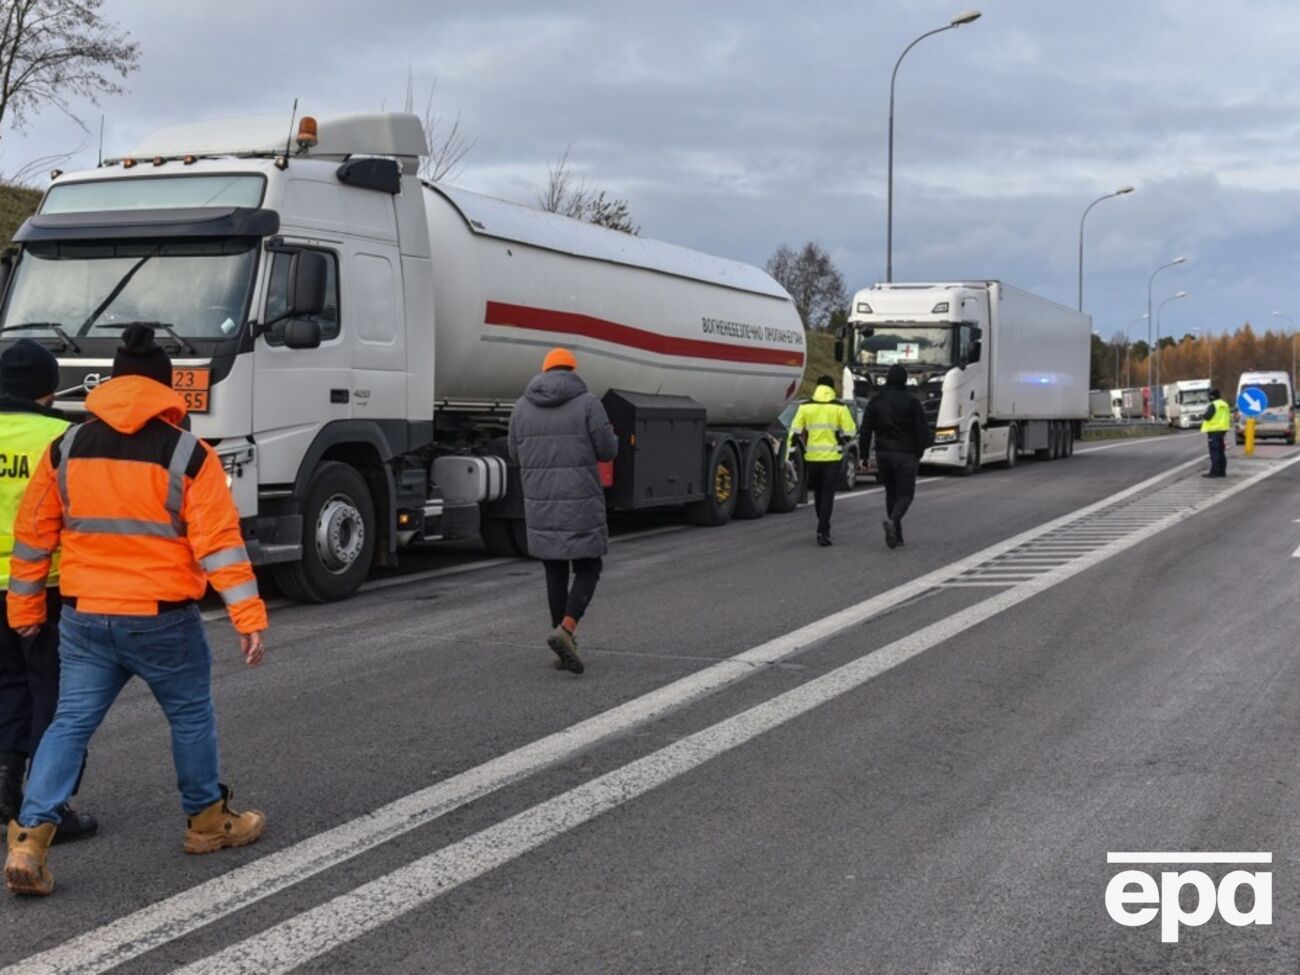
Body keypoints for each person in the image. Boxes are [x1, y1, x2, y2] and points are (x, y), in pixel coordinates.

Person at [5, 324, 268, 897]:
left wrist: (24, 608)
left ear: (112, 384)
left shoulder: (66, 447)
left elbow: (33, 537)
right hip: (161, 618)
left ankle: (29, 839)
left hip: (82, 615)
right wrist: (248, 619)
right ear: (166, 391)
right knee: (191, 715)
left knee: (70, 722)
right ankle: (206, 823)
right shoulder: (188, 454)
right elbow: (220, 544)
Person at [0, 341, 96, 843]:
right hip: (48, 584)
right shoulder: (64, 437)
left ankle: (5, 782)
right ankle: (48, 806)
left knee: (8, 685)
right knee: (55, 697)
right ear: (50, 387)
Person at [508, 348, 617, 675]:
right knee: (589, 565)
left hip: (540, 502)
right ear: (572, 370)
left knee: (554, 570)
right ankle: (567, 629)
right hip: (579, 499)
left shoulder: (521, 408)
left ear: (544, 371)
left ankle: (563, 640)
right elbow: (607, 449)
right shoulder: (588, 404)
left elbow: (515, 454)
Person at [861, 364, 931, 549]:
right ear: (905, 380)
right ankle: (892, 521)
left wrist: (864, 456)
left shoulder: (876, 401)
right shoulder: (912, 402)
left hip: (883, 453)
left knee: (891, 493)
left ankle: (897, 535)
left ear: (887, 379)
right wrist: (920, 450)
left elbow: (866, 430)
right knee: (906, 494)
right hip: (906, 454)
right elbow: (922, 430)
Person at [789, 375, 857, 546]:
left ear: (817, 387)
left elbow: (795, 432)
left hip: (812, 458)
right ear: (832, 388)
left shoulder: (806, 407)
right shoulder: (839, 407)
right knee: (828, 494)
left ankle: (822, 522)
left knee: (818, 494)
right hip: (832, 458)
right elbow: (850, 431)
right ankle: (823, 530)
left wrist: (789, 455)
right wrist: (841, 441)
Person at [1200, 388, 1230, 478]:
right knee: (1221, 451)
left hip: (1214, 431)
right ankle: (1222, 471)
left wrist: (1204, 414)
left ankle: (1215, 472)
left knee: (1215, 452)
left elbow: (1207, 417)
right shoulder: (1224, 404)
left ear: (1212, 396)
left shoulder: (1214, 405)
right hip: (1222, 430)